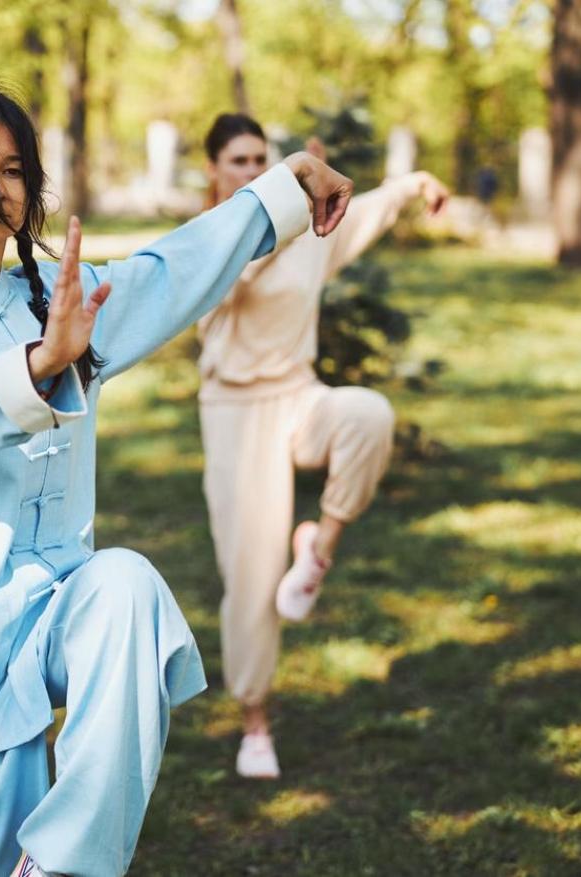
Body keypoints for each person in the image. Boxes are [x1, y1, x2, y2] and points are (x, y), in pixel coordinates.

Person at [0, 89, 351, 877]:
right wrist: (40, 364)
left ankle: (64, 864)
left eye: (13, 169)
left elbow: (173, 270)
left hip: (56, 615)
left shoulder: (62, 304)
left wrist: (283, 185)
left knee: (127, 583)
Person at [195, 113, 449, 780]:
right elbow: (233, 279)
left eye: (261, 160)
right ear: (215, 171)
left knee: (368, 414)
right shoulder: (210, 241)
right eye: (239, 162)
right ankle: (255, 720)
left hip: (298, 397)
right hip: (234, 412)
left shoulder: (306, 231)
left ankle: (317, 550)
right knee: (248, 579)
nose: (252, 171)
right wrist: (281, 202)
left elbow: (361, 212)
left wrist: (413, 183)